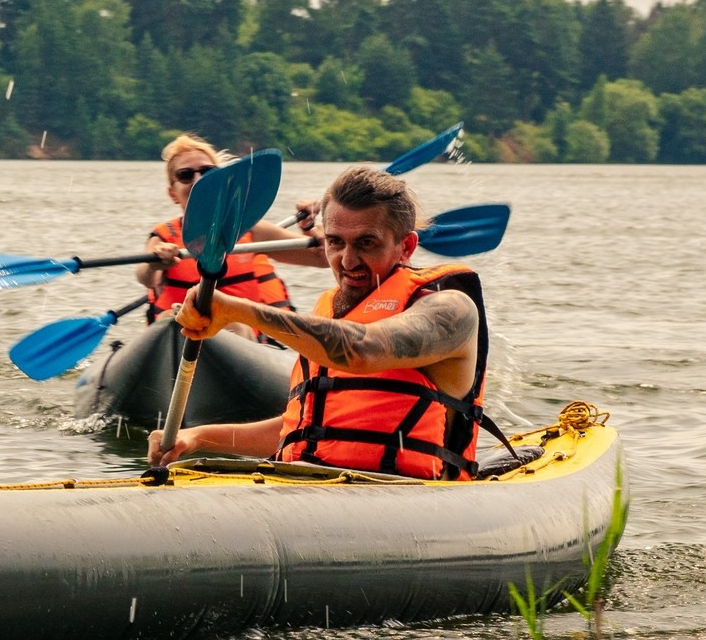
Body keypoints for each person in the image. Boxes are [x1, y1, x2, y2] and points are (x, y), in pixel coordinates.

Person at [147, 166, 488, 480]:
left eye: (366, 243)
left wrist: (238, 310)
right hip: (308, 482)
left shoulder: (450, 310)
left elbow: (362, 350)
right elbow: (300, 427)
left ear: (406, 246)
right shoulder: (328, 313)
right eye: (336, 242)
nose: (347, 260)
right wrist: (197, 436)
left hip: (402, 491)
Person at [137, 134, 324, 331]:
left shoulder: (253, 230)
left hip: (240, 339)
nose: (198, 180)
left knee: (234, 326)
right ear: (173, 194)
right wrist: (154, 264)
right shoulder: (164, 237)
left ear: (223, 183)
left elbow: (322, 258)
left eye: (208, 172)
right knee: (169, 319)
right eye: (185, 175)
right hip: (180, 332)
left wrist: (309, 228)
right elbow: (145, 277)